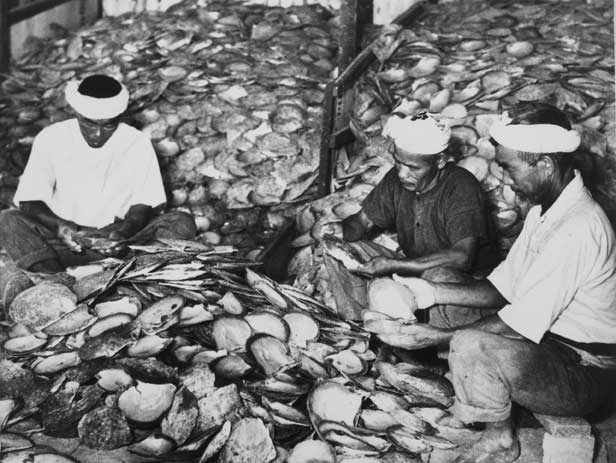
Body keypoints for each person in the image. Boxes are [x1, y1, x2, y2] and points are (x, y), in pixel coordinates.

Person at [376, 103, 616, 463]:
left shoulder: (578, 228)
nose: (506, 178)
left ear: (545, 164)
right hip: (549, 346)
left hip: (582, 370)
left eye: (510, 167)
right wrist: (427, 292)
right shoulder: (544, 212)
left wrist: (437, 337)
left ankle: (500, 438)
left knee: (472, 345)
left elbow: (520, 323)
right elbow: (501, 289)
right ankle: (475, 392)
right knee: (440, 278)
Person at [0, 74, 196, 301]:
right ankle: (58, 282)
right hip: (64, 242)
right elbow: (29, 199)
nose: (97, 135)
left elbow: (144, 202)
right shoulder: (52, 138)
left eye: (108, 125)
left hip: (120, 244)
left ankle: (126, 274)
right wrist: (62, 227)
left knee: (181, 222)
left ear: (120, 117)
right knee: (9, 220)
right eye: (89, 123)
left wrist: (122, 233)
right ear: (76, 113)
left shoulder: (137, 143)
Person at [319, 112, 496, 320]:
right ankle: (363, 328)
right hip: (412, 265)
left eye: (413, 167)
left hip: (464, 280)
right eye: (398, 162)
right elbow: (361, 222)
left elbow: (461, 258)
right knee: (341, 251)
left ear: (439, 161)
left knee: (437, 276)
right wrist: (341, 229)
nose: (402, 174)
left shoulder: (461, 187)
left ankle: (434, 346)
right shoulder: (396, 179)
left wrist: (395, 265)